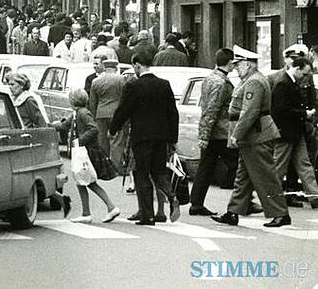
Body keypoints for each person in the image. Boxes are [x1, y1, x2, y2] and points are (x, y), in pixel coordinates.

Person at [212, 46, 290, 228]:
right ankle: (233, 212)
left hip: (256, 136)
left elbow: (249, 112)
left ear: (248, 65)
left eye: (238, 65)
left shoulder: (254, 82)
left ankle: (280, 214)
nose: (236, 68)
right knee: (243, 177)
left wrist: (236, 135)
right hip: (252, 136)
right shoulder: (251, 79)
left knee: (265, 176)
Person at [110, 51, 180, 225]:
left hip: (142, 136)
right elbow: (173, 113)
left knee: (142, 174)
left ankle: (147, 215)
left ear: (137, 65)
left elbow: (124, 110)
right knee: (159, 172)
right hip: (161, 136)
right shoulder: (164, 84)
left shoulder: (134, 86)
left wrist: (113, 129)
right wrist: (172, 138)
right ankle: (172, 196)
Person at [186, 48, 239, 216]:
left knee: (206, 167)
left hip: (213, 132)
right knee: (237, 164)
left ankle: (196, 202)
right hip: (220, 131)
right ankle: (244, 199)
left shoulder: (210, 78)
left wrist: (204, 134)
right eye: (234, 63)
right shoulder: (221, 82)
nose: (234, 67)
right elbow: (213, 109)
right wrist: (205, 134)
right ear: (229, 63)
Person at [56, 89, 120, 223]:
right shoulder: (77, 113)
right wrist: (49, 126)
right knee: (83, 181)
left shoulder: (83, 113)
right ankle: (89, 212)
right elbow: (64, 125)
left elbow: (93, 128)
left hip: (87, 152)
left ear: (73, 100)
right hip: (83, 151)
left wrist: (79, 141)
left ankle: (108, 207)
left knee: (87, 181)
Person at [271, 56, 318, 209]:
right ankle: (272, 197)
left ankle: (315, 196)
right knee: (279, 167)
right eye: (304, 74)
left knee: (304, 165)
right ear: (297, 69)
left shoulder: (291, 82)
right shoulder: (283, 84)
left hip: (295, 132)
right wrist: (304, 114)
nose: (305, 78)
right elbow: (280, 111)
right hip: (286, 133)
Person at [89, 59, 126, 155]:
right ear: (116, 68)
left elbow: (92, 102)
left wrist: (93, 117)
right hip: (116, 114)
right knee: (117, 143)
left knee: (102, 143)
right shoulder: (122, 80)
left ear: (104, 68)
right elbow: (124, 99)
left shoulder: (96, 81)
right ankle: (115, 167)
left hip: (100, 114)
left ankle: (104, 167)